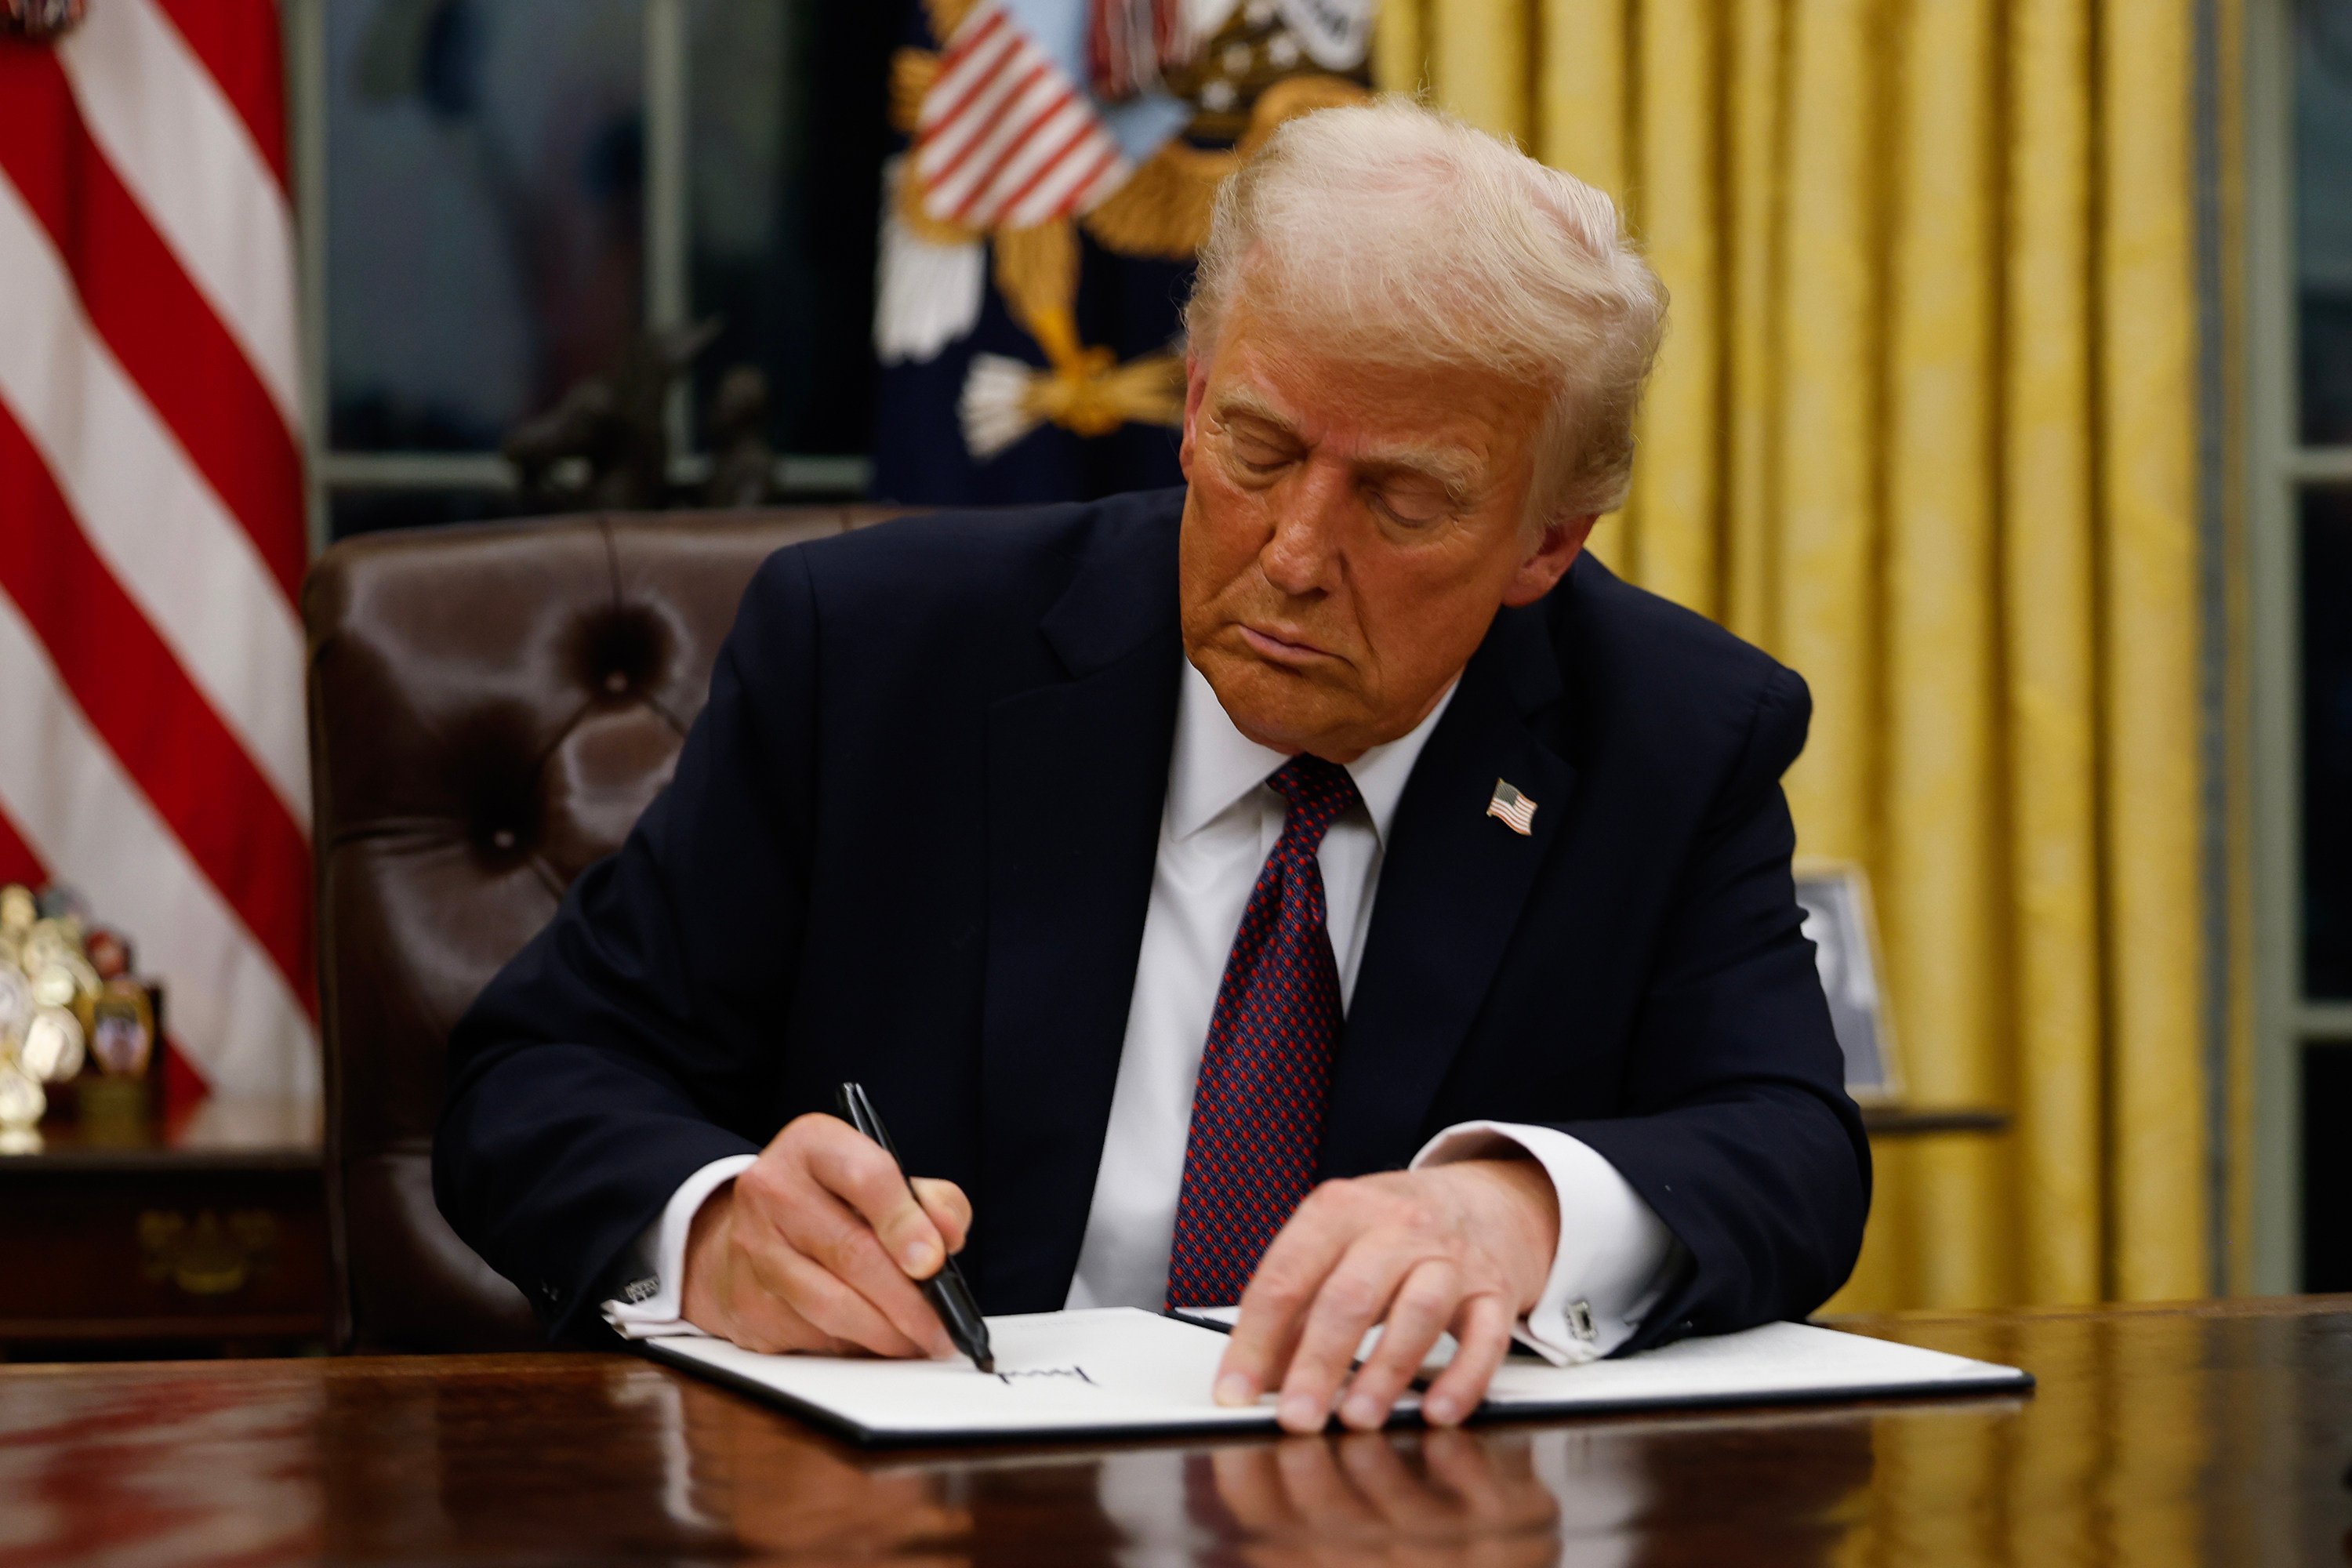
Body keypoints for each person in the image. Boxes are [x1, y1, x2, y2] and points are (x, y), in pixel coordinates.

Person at [435, 99, 1870, 1435]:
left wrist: (1519, 1217)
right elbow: (537, 1075)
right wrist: (719, 1225)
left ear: (1548, 544)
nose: (1296, 557)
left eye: (1403, 498)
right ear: (1190, 407)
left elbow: (1792, 1148)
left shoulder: (1671, 734)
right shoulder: (878, 657)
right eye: (1258, 448)